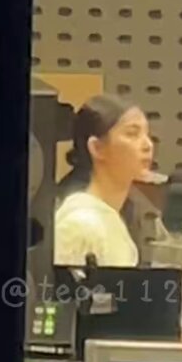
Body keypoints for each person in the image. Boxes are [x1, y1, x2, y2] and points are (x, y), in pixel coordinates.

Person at [54, 94, 153, 267]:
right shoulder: (78, 223)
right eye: (132, 134)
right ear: (97, 148)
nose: (148, 145)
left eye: (147, 134)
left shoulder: (118, 215)